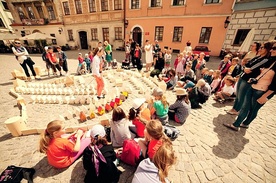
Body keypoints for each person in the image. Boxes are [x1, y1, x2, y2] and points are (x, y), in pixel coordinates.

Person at [224, 42, 276, 131]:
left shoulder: (271, 61)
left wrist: (265, 96)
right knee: (246, 107)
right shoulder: (269, 60)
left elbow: (275, 85)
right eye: (272, 48)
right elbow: (251, 68)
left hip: (262, 90)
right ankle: (237, 124)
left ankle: (245, 123)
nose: (272, 50)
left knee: (253, 109)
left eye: (274, 49)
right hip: (254, 86)